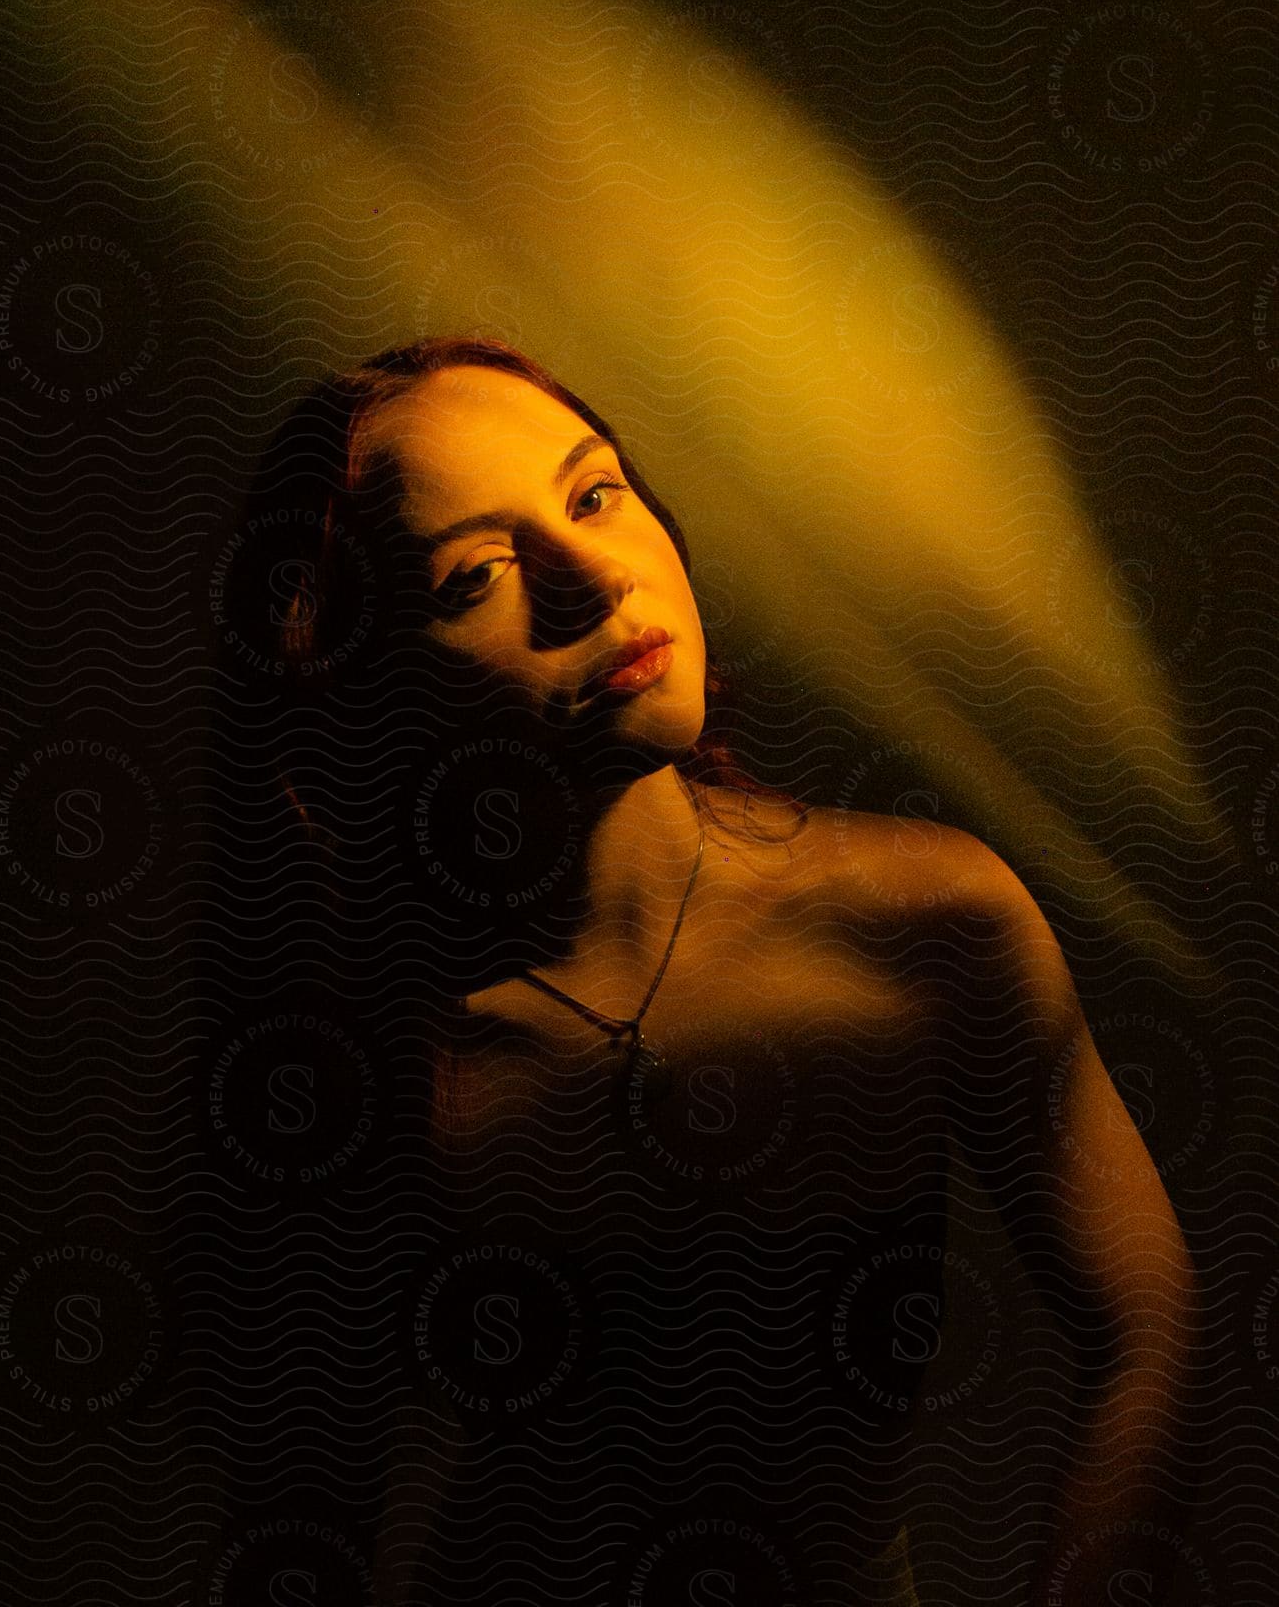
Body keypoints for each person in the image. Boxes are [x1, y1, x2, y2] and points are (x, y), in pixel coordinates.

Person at [224, 335, 1199, 1606]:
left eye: (593, 494)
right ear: (364, 680)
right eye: (475, 577)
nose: (591, 577)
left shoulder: (929, 922)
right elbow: (308, 1509)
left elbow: (1149, 1328)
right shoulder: (360, 1059)